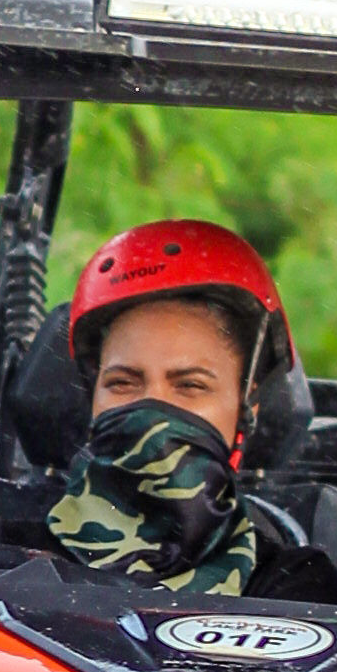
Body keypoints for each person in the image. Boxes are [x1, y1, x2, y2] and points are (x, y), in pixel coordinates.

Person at [40, 218, 294, 598]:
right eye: (123, 383)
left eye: (190, 386)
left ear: (248, 408)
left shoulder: (295, 587)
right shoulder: (2, 553)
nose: (153, 408)